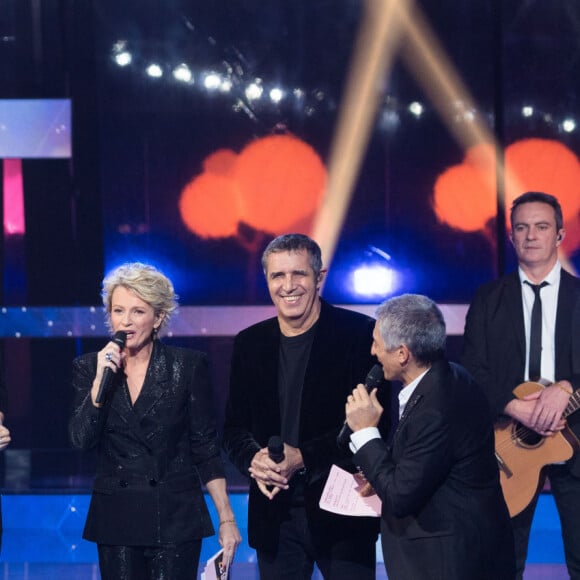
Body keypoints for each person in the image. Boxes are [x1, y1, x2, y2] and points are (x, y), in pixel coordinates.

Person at [222, 233, 390, 580]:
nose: (289, 286)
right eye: (277, 276)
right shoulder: (249, 343)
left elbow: (376, 426)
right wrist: (253, 460)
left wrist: (304, 457)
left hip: (345, 511)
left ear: (319, 277)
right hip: (274, 512)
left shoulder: (359, 335)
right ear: (267, 280)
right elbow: (234, 429)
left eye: (298, 274)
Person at [69, 262, 241, 580]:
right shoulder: (88, 367)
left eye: (138, 311)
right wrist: (98, 385)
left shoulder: (187, 366)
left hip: (174, 516)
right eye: (118, 311)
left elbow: (204, 447)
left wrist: (226, 517)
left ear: (159, 317)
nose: (126, 321)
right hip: (117, 519)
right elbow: (81, 440)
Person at [345, 293, 516, 580]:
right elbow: (423, 464)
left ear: (402, 353)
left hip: (448, 563)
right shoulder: (450, 377)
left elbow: (401, 496)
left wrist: (365, 432)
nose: (373, 351)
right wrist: (379, 475)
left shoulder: (437, 407)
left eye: (377, 342)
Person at [462, 191, 580, 579]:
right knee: (502, 565)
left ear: (560, 235)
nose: (531, 235)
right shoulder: (487, 298)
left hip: (576, 442)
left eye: (542, 227)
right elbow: (470, 369)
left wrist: (566, 385)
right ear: (511, 238)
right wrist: (514, 406)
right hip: (509, 448)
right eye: (522, 228)